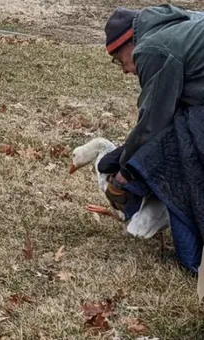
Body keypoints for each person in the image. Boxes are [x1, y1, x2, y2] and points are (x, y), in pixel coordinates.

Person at [97, 4, 204, 273]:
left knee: (182, 152)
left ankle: (195, 256)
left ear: (128, 42)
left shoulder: (151, 49)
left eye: (118, 59)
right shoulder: (181, 22)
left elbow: (153, 122)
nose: (124, 70)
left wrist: (125, 172)